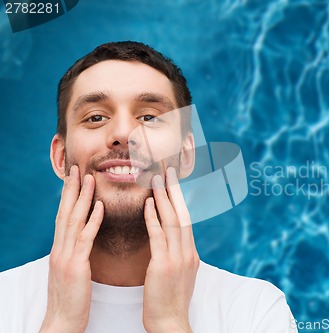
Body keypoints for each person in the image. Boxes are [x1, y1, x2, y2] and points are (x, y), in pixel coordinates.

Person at [0, 41, 297, 333]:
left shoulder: (255, 310)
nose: (123, 133)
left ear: (186, 155)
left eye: (149, 117)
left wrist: (171, 323)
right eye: (95, 118)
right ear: (60, 157)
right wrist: (60, 323)